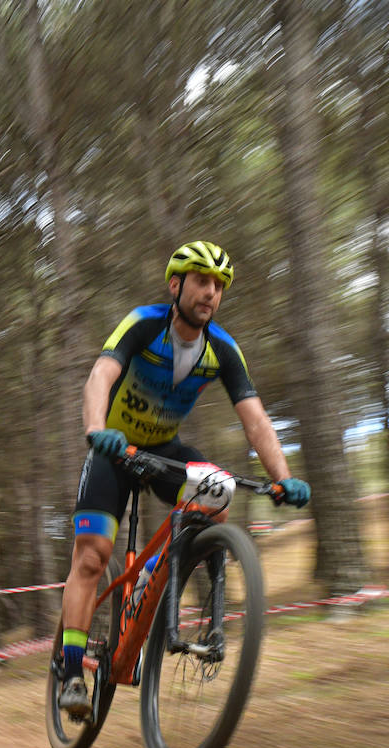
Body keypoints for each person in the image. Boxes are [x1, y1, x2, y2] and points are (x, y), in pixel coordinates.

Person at [58, 240, 311, 717]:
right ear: (176, 285)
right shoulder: (144, 323)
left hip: (163, 450)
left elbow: (254, 419)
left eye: (218, 286)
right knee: (93, 558)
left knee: (217, 495)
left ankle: (180, 595)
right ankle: (71, 672)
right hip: (113, 450)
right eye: (201, 281)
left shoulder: (223, 349)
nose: (210, 293)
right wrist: (97, 430)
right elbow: (100, 375)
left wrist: (282, 477)